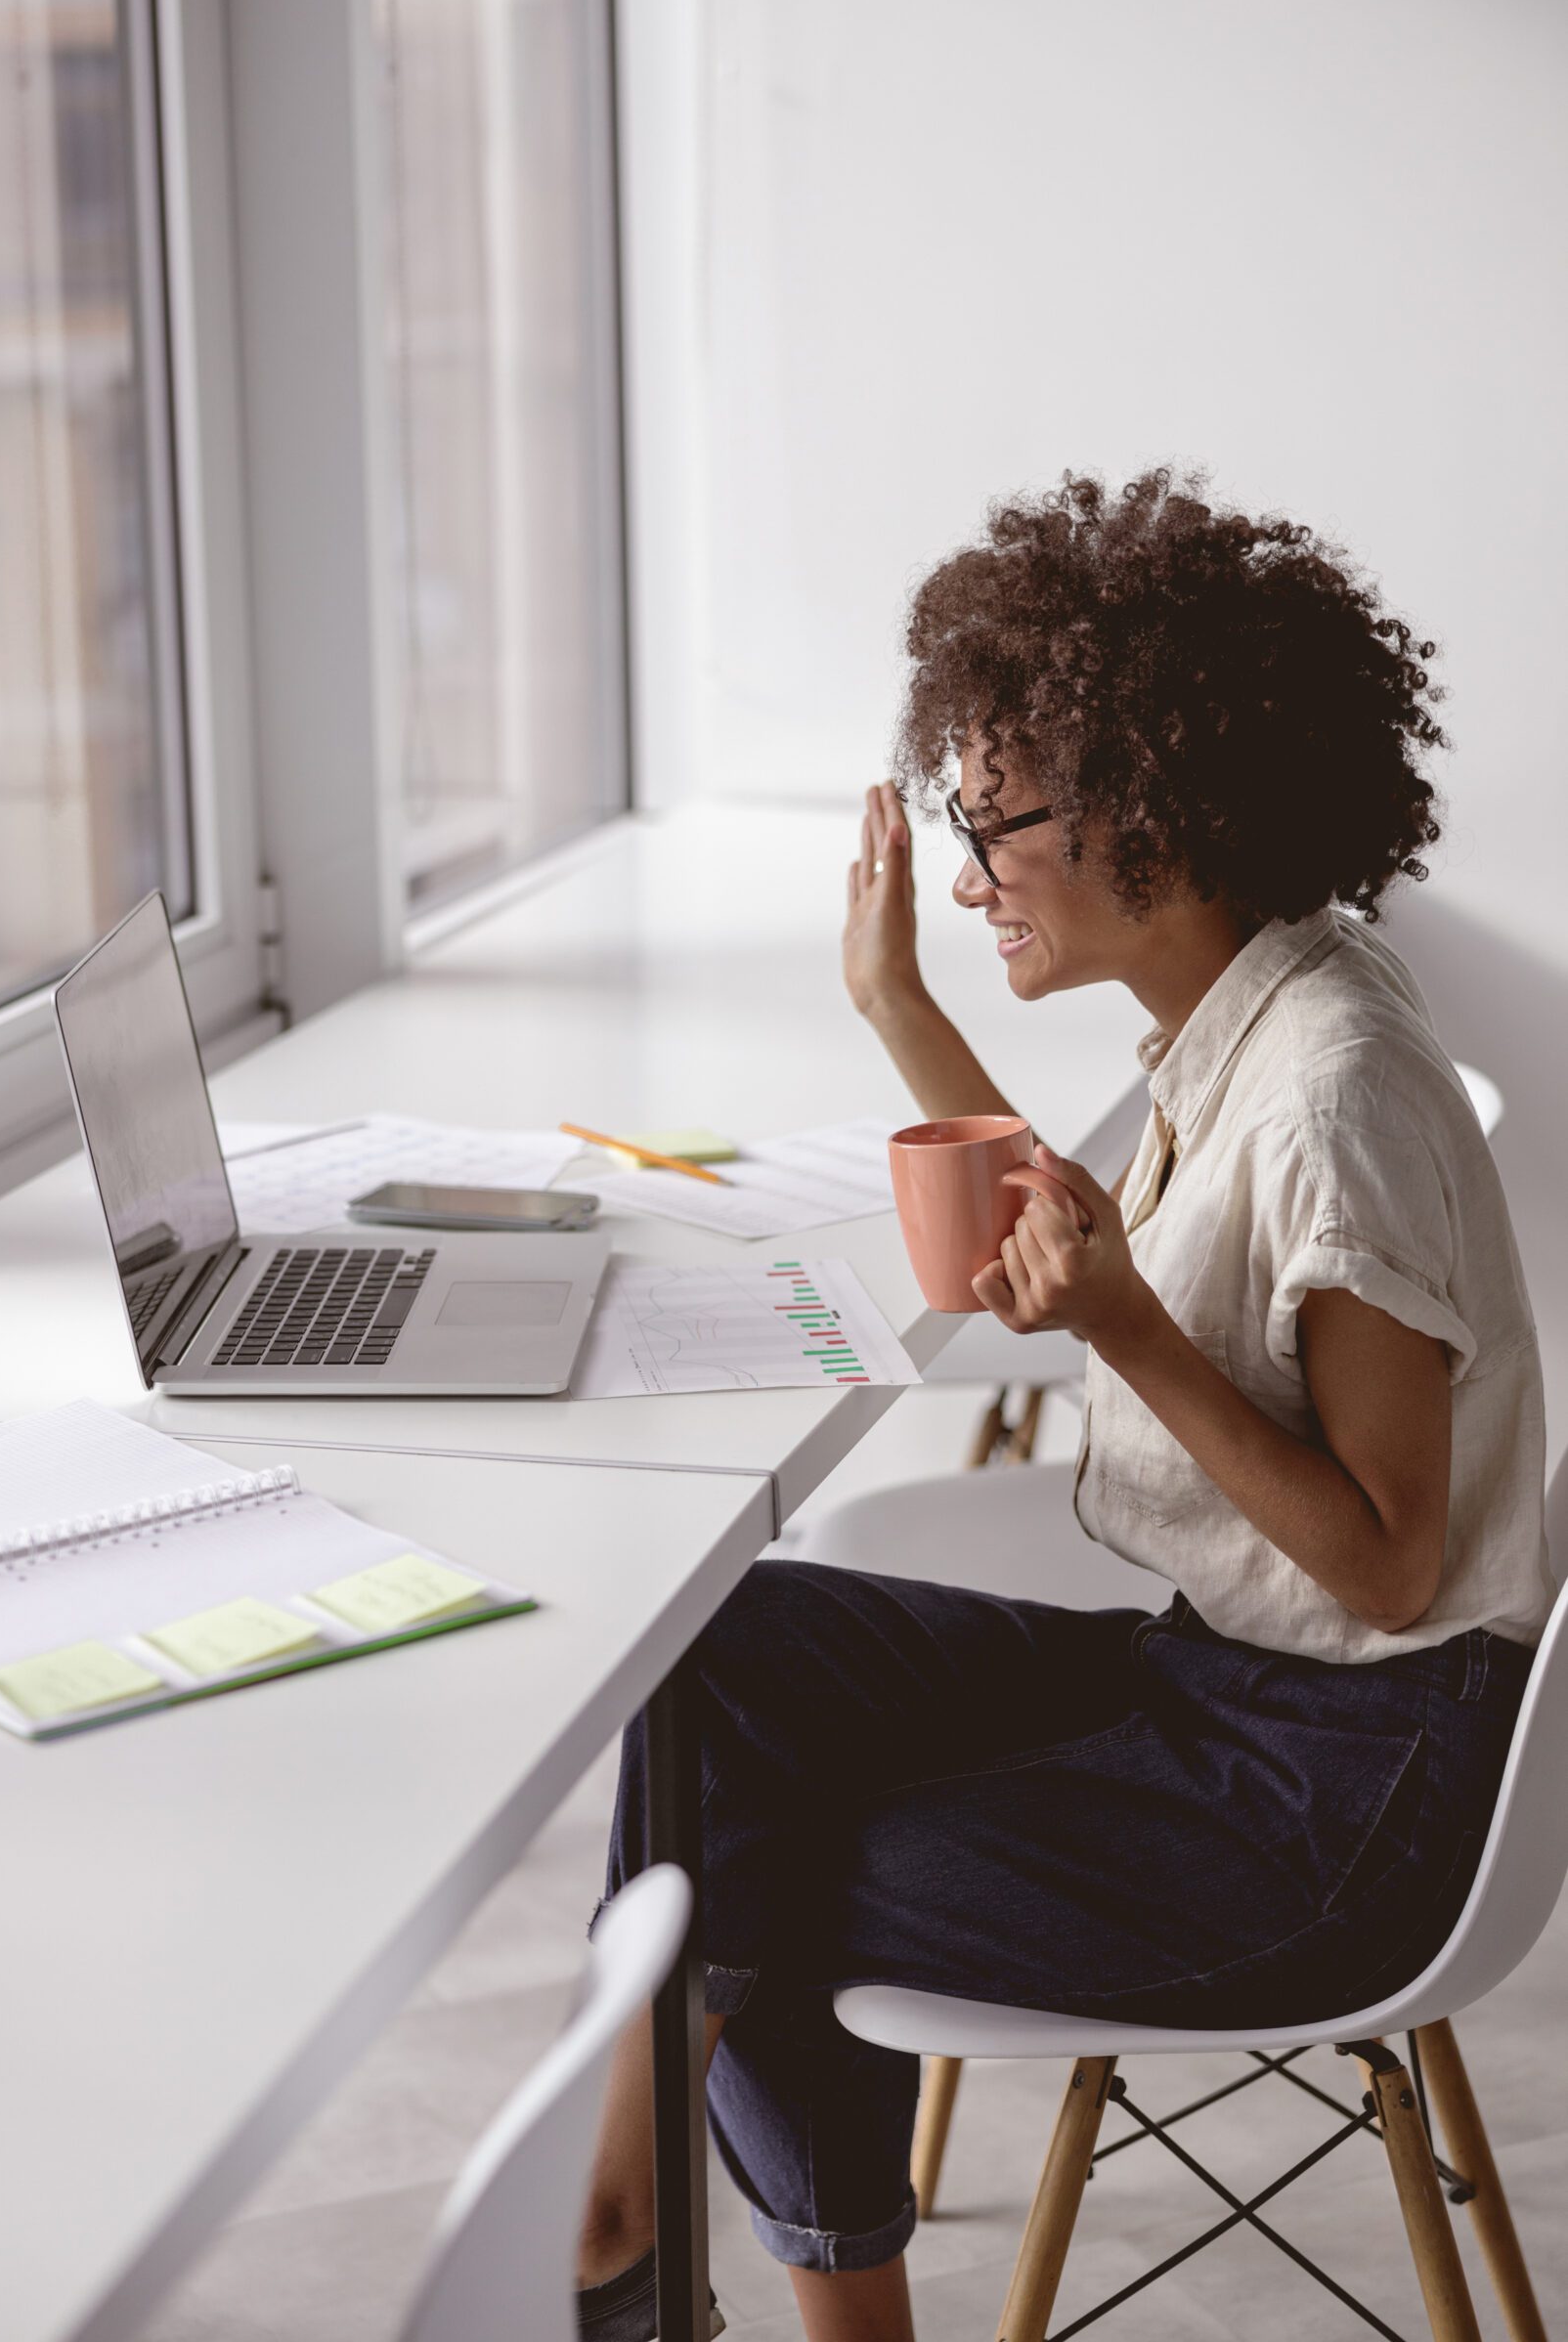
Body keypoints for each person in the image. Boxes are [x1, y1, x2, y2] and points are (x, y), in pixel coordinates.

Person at [575, 466, 1553, 2342]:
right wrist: (895, 1006)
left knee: (763, 1864)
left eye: (993, 822)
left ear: (1157, 817)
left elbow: (1387, 1565)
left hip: (1348, 1798)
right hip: (1237, 1691)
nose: (963, 872)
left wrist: (1126, 1338)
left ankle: (631, 2243)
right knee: (730, 1656)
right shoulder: (1263, 1000)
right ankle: (626, 2224)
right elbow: (1078, 1237)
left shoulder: (1334, 1089)